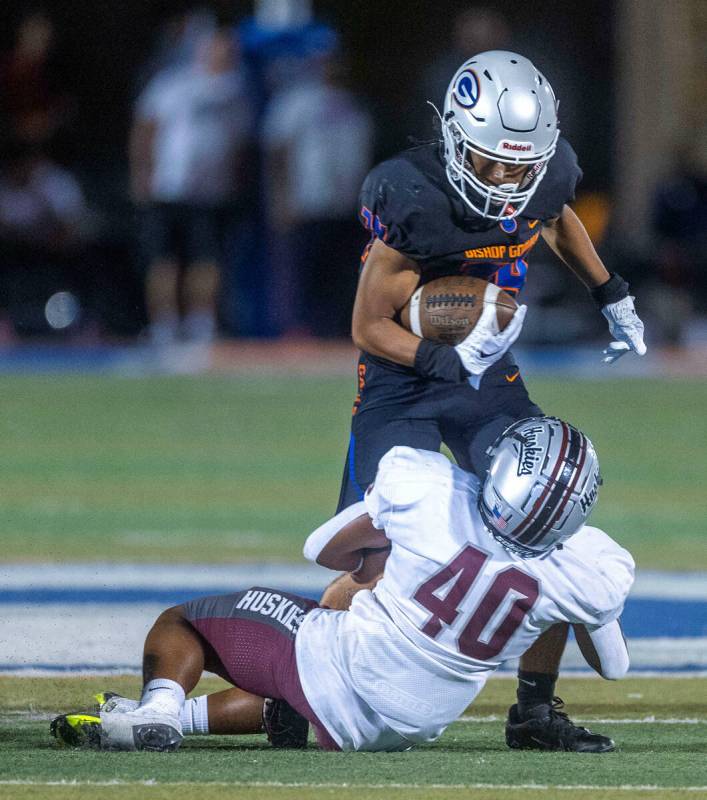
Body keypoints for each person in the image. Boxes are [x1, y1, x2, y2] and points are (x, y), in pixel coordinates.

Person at [327, 49, 646, 749]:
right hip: (400, 385)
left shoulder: (546, 171)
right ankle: (299, 685)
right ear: (452, 137)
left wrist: (609, 292)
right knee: (374, 562)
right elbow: (367, 327)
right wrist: (445, 355)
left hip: (487, 379)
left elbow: (555, 215)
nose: (505, 179)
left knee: (548, 517)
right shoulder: (412, 197)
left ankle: (533, 711)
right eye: (490, 161)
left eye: (518, 165)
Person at [51, 417, 633, 753]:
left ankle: (158, 707)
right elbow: (613, 665)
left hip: (344, 668)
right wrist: (587, 604)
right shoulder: (583, 567)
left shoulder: (433, 491)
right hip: (410, 724)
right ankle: (174, 719)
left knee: (184, 621)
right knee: (310, 682)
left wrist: (370, 565)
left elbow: (319, 548)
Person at [130, 28, 255, 345]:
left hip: (211, 192)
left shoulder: (237, 91)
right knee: (164, 260)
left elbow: (240, 143)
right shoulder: (173, 84)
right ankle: (164, 324)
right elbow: (146, 129)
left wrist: (234, 180)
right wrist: (142, 175)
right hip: (169, 188)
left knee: (207, 261)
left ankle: (201, 322)